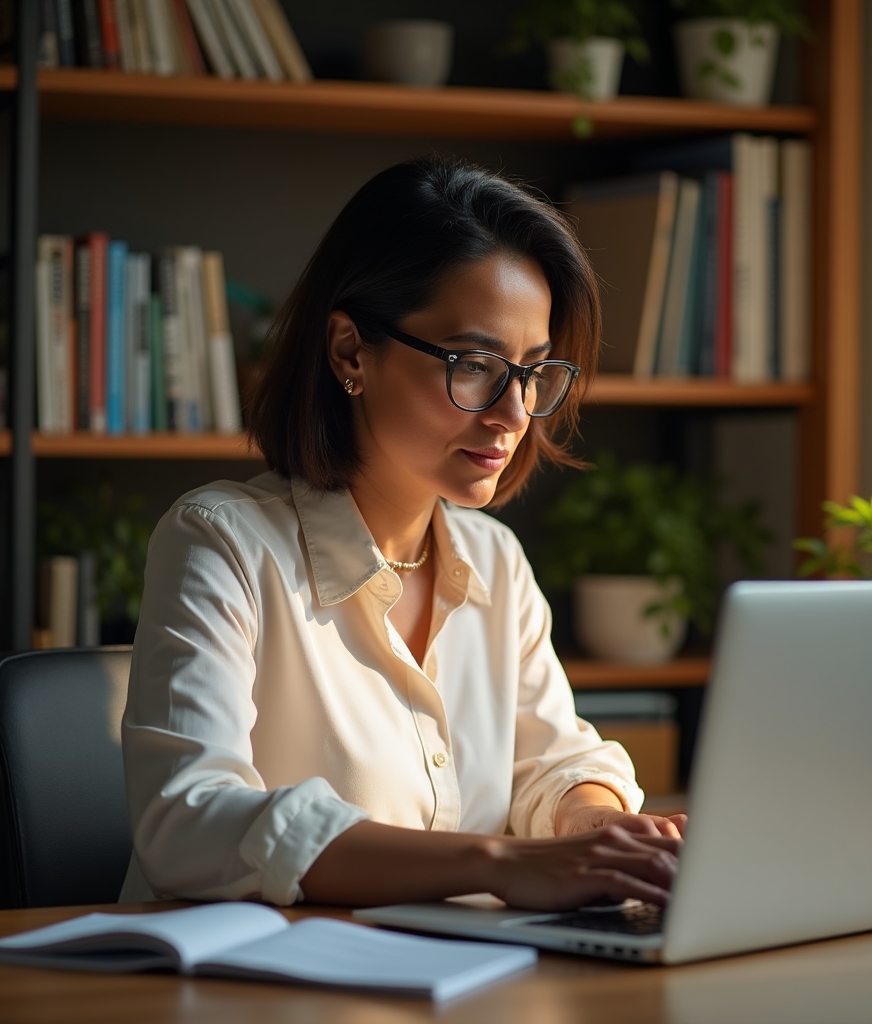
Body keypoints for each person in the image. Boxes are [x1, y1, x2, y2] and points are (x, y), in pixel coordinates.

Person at [120, 157, 686, 911]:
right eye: (476, 364)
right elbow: (188, 821)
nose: (514, 414)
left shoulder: (495, 561)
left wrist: (593, 828)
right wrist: (497, 862)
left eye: (533, 371)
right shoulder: (221, 544)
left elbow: (556, 759)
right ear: (351, 351)